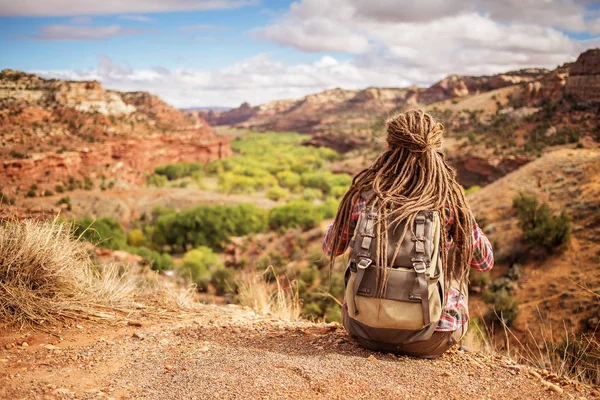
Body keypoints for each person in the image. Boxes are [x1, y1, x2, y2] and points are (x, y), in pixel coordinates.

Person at [323, 109, 493, 358]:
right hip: (431, 339)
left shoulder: (365, 195)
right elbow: (484, 262)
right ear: (435, 150)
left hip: (363, 331)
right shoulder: (446, 200)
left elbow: (331, 247)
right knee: (455, 256)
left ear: (388, 146)